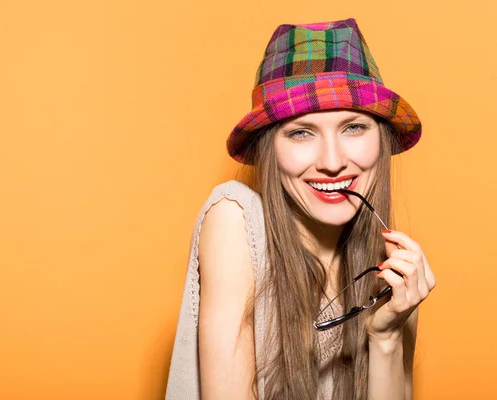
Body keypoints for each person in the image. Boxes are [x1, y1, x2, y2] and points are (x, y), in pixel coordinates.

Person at [165, 18, 436, 399]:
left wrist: (387, 337)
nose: (331, 161)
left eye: (354, 128)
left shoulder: (392, 272)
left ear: (382, 140)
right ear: (269, 151)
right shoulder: (236, 219)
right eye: (300, 132)